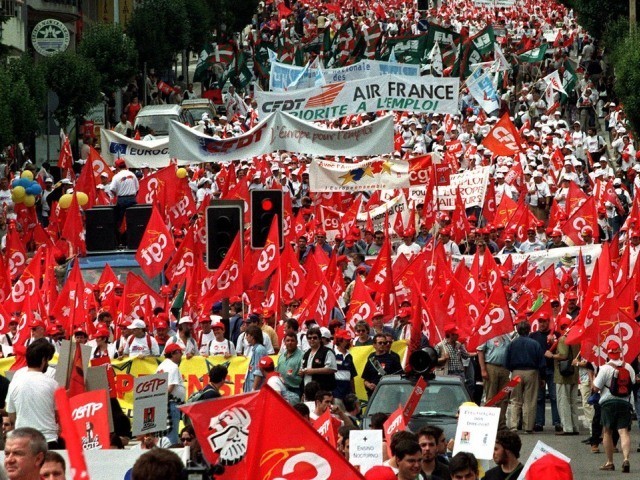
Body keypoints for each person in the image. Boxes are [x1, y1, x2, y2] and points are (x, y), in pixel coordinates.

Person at [6, 340, 59, 448]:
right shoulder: (53, 384)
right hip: (48, 440)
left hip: (23, 441)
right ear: (44, 360)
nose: (47, 364)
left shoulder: (14, 383)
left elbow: (11, 415)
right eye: (48, 360)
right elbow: (58, 415)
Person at [593, 340, 635, 472]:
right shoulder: (628, 367)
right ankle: (626, 459)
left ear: (608, 353)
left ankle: (610, 462)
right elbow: (633, 383)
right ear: (620, 352)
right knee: (624, 432)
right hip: (624, 402)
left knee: (607, 431)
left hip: (608, 403)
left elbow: (596, 387)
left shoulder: (605, 368)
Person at [504, 321, 546, 433]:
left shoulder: (512, 344)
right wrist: (542, 377)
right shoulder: (535, 344)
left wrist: (511, 371)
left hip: (516, 372)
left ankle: (513, 425)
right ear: (529, 330)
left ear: (517, 330)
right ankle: (528, 427)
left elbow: (506, 360)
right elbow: (541, 362)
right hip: (531, 372)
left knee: (515, 400)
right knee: (530, 400)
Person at [477, 333, 511, 429]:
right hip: (491, 366)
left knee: (503, 397)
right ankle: (489, 423)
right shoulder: (487, 335)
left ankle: (501, 423)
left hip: (504, 368)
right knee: (491, 397)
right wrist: (483, 369)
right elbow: (480, 351)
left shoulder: (507, 336)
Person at [156, 343, 185, 445]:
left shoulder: (160, 366)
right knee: (172, 437)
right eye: (180, 352)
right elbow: (171, 387)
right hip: (171, 404)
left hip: (163, 404)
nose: (181, 355)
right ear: (173, 353)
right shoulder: (173, 366)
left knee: (164, 435)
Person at [362, 333, 403, 397]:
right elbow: (365, 379)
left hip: (389, 394)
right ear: (374, 345)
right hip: (374, 395)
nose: (383, 345)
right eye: (380, 343)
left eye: (384, 343)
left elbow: (400, 376)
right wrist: (369, 385)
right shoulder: (371, 359)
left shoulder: (393, 358)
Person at [300, 327, 338, 393]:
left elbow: (332, 368)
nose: (312, 340)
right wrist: (301, 372)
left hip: (323, 391)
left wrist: (313, 371)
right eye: (309, 338)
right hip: (307, 390)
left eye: (314, 338)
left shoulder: (327, 352)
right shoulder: (306, 354)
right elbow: (302, 369)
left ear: (320, 339)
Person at [276, 332, 304, 400]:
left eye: (292, 340)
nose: (290, 343)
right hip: (282, 388)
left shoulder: (302, 356)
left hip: (294, 390)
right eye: (288, 340)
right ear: (284, 342)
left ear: (297, 342)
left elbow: (302, 374)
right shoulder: (282, 356)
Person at [244, 325, 268, 392]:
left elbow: (259, 371)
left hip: (256, 389)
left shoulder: (259, 350)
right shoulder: (255, 349)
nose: (246, 337)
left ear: (252, 336)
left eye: (247, 335)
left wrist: (253, 389)